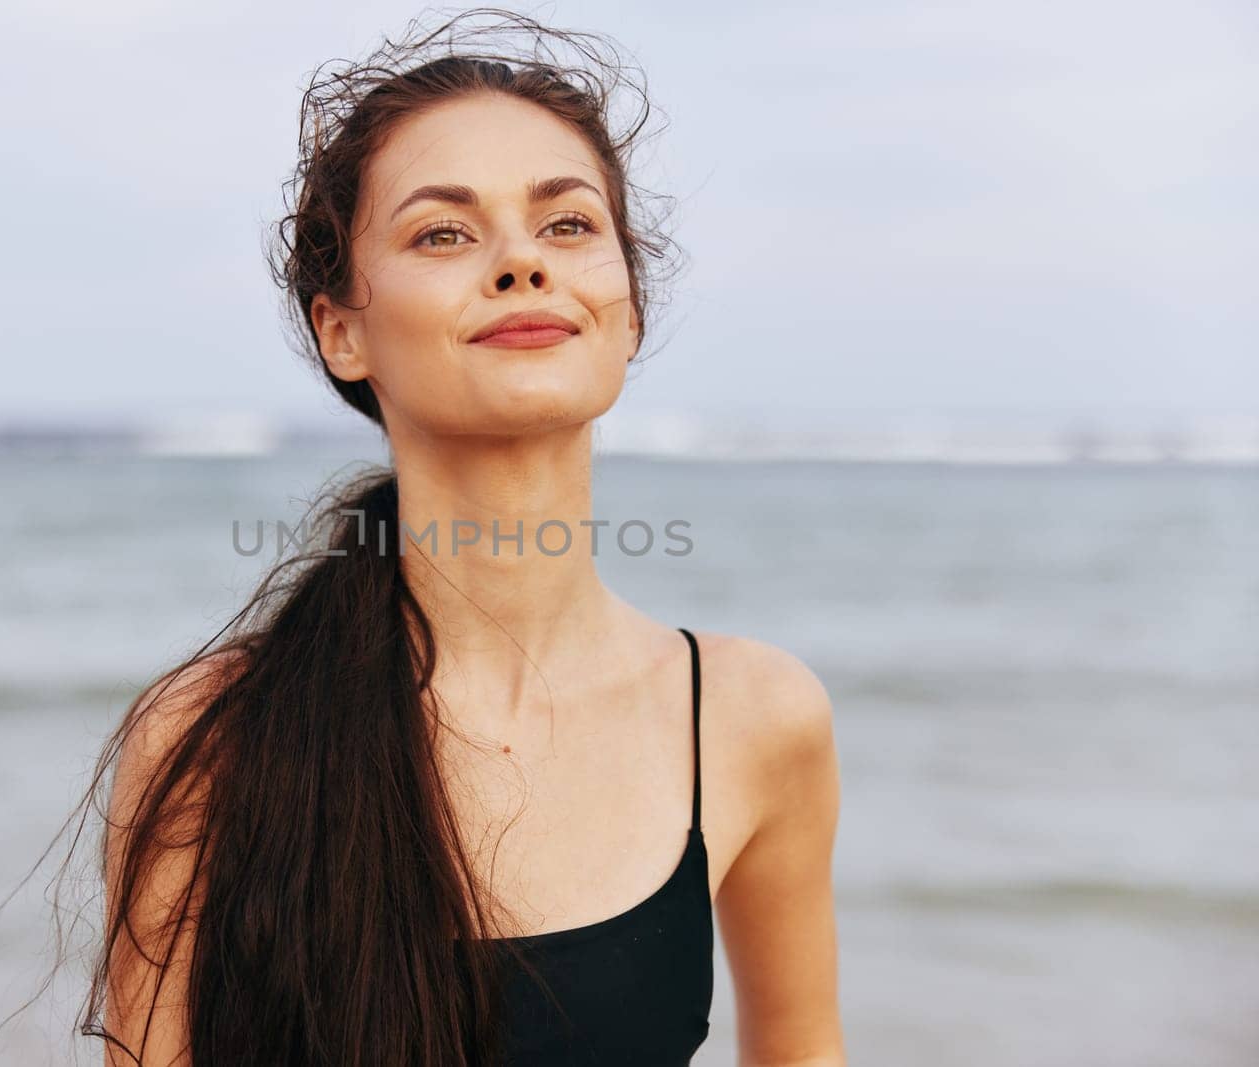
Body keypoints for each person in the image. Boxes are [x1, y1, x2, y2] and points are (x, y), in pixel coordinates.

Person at [79, 10, 844, 1066]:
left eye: (568, 225)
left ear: (625, 309)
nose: (521, 261)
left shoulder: (756, 716)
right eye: (444, 232)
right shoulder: (216, 735)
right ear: (340, 329)